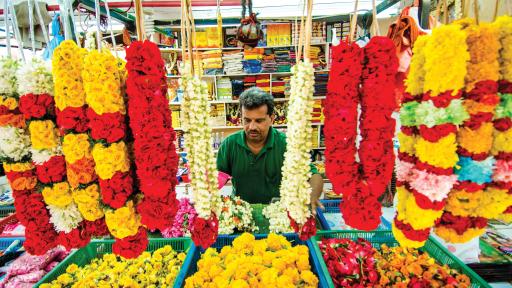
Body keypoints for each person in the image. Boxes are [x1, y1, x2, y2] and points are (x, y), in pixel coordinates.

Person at [217, 87, 324, 213]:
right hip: (240, 214)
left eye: (259, 121)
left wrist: (312, 196)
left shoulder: (288, 144)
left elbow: (313, 175)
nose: (252, 127)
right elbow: (218, 177)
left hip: (278, 214)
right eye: (247, 120)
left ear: (271, 119)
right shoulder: (229, 144)